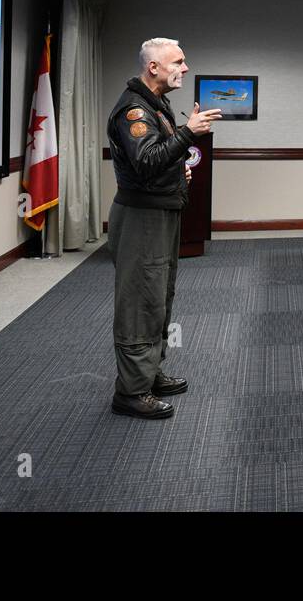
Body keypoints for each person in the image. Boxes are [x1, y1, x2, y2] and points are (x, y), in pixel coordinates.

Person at [107, 37, 220, 419]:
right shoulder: (133, 111)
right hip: (141, 219)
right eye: (178, 62)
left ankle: (150, 373)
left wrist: (178, 165)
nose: (185, 69)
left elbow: (159, 159)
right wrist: (189, 133)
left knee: (159, 295)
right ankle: (131, 392)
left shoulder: (157, 104)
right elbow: (146, 160)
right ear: (153, 67)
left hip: (160, 212)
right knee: (140, 302)